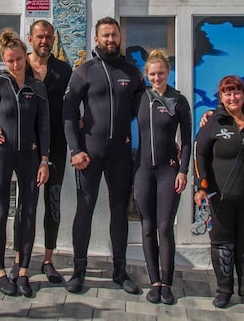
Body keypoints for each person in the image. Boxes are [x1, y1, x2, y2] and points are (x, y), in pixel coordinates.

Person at [63, 16, 145, 294]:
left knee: (119, 212)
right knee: (84, 210)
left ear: (120, 37)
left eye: (114, 35)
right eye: (105, 35)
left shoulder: (132, 73)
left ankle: (120, 272)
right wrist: (76, 150)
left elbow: (142, 110)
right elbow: (68, 114)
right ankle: (78, 271)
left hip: (121, 154)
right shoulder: (84, 71)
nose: (110, 40)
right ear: (96, 39)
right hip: (89, 154)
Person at [0, 20, 73, 284]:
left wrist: (80, 123)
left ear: (53, 40)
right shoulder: (18, 63)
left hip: (54, 147)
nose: (44, 41)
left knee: (53, 204)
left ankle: (47, 260)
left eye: (49, 37)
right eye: (40, 36)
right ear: (31, 38)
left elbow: (72, 106)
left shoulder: (63, 70)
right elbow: (1, 103)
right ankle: (18, 259)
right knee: (22, 206)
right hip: (21, 147)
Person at [0, 28, 51, 297]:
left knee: (29, 212)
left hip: (30, 157)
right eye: (10, 60)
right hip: (3, 155)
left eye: (19, 59)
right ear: (4, 61)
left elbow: (44, 126)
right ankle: (0, 272)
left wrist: (44, 161)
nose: (16, 64)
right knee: (1, 212)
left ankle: (22, 272)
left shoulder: (37, 87)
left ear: (25, 56)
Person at [193, 75, 244, 312]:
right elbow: (200, 153)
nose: (232, 97)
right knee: (222, 244)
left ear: (243, 94)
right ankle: (224, 290)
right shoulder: (214, 121)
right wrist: (201, 186)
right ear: (221, 97)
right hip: (220, 196)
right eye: (227, 93)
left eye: (236, 92)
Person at [134, 49, 192, 305]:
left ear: (168, 73)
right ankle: (154, 282)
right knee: (148, 227)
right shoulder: (140, 98)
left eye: (161, 74)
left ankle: (167, 284)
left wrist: (183, 170)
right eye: (152, 74)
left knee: (165, 227)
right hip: (143, 171)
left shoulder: (179, 100)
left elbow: (188, 141)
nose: (157, 78)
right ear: (146, 75)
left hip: (169, 171)